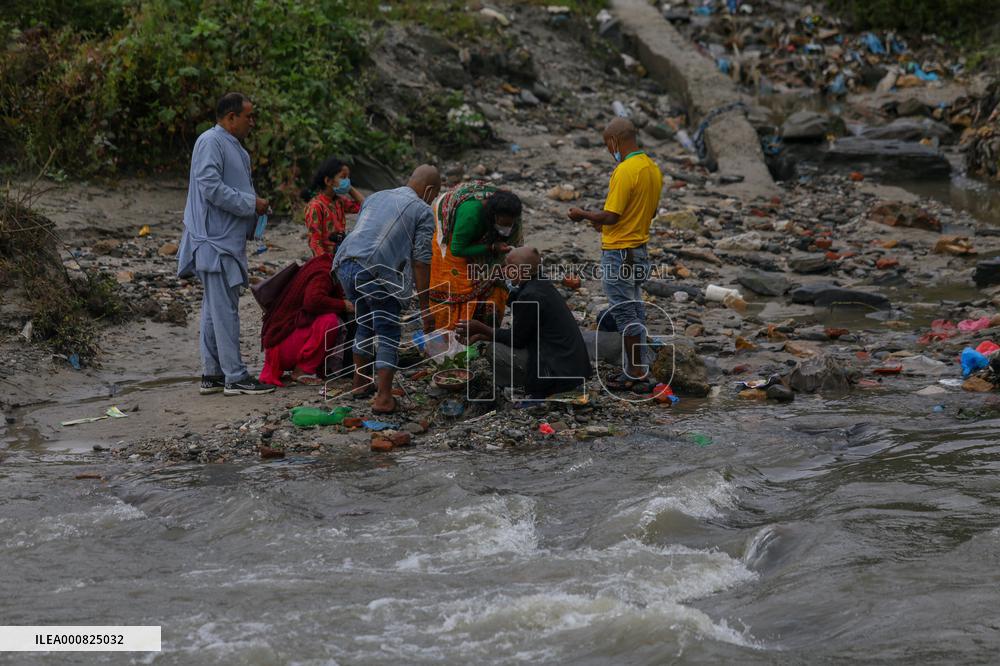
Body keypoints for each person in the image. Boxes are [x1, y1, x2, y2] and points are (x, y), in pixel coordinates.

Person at [177, 92, 276, 396]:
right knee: (224, 308)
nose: (252, 122)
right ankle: (235, 376)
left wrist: (252, 212)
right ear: (231, 118)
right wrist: (250, 203)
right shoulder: (211, 141)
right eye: (248, 116)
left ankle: (213, 373)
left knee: (214, 307)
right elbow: (210, 187)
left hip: (226, 239)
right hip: (214, 240)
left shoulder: (233, 147)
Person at [333, 165, 442, 414]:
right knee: (388, 332)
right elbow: (421, 260)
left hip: (345, 264)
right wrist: (426, 307)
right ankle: (383, 398)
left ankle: (360, 383)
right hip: (376, 270)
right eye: (435, 195)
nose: (433, 199)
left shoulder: (376, 196)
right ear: (429, 190)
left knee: (364, 324)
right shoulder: (423, 211)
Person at [567, 117, 662, 391]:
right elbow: (648, 212)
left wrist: (583, 214)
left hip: (619, 253)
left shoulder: (625, 170)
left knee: (624, 312)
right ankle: (639, 365)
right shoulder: (652, 168)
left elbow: (611, 215)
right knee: (635, 307)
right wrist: (608, 221)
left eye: (607, 146)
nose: (609, 152)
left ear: (614, 141)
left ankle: (635, 371)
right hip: (639, 250)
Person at [457, 247, 592, 399]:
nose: (504, 269)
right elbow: (526, 331)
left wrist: (480, 327)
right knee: (496, 342)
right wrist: (482, 334)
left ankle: (520, 386)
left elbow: (518, 340)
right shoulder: (540, 283)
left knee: (494, 350)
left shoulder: (530, 295)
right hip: (573, 367)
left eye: (508, 266)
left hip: (558, 373)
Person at [429, 184, 522, 331]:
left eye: (510, 224)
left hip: (477, 234)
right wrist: (491, 247)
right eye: (504, 224)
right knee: (456, 285)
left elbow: (515, 239)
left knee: (496, 277)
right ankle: (453, 332)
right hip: (453, 242)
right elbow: (457, 249)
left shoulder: (510, 209)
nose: (508, 229)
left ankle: (487, 329)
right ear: (494, 216)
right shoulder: (471, 213)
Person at [258, 254, 353, 386]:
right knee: (330, 321)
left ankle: (304, 366)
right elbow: (313, 301)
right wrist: (344, 305)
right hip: (281, 343)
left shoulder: (321, 263)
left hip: (279, 341)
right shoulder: (324, 273)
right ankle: (303, 370)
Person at [301, 157, 365, 257]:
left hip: (340, 254)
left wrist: (349, 188)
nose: (347, 181)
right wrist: (325, 263)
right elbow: (314, 242)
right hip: (327, 259)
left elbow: (365, 205)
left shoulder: (339, 201)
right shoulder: (316, 206)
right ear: (328, 181)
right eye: (343, 177)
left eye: (348, 177)